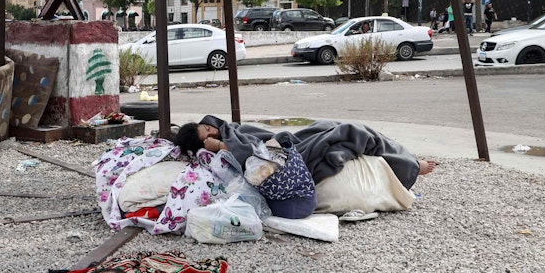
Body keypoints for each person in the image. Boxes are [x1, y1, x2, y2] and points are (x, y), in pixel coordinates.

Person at [174, 116, 437, 192]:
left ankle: (407, 158)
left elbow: (249, 135)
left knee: (329, 125)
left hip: (290, 142)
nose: (212, 131)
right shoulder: (218, 153)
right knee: (351, 131)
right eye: (206, 134)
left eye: (207, 127)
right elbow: (253, 158)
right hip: (289, 159)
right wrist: (219, 146)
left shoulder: (226, 131)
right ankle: (411, 166)